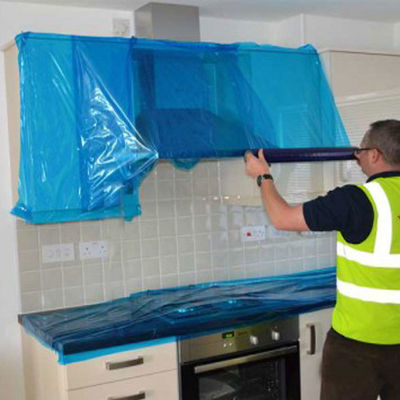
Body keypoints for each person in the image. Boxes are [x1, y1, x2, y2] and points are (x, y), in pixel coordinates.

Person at [244, 119, 400, 400]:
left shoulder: (356, 200)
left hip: (357, 348)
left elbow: (283, 218)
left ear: (376, 155)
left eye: (361, 149)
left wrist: (262, 175)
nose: (357, 156)